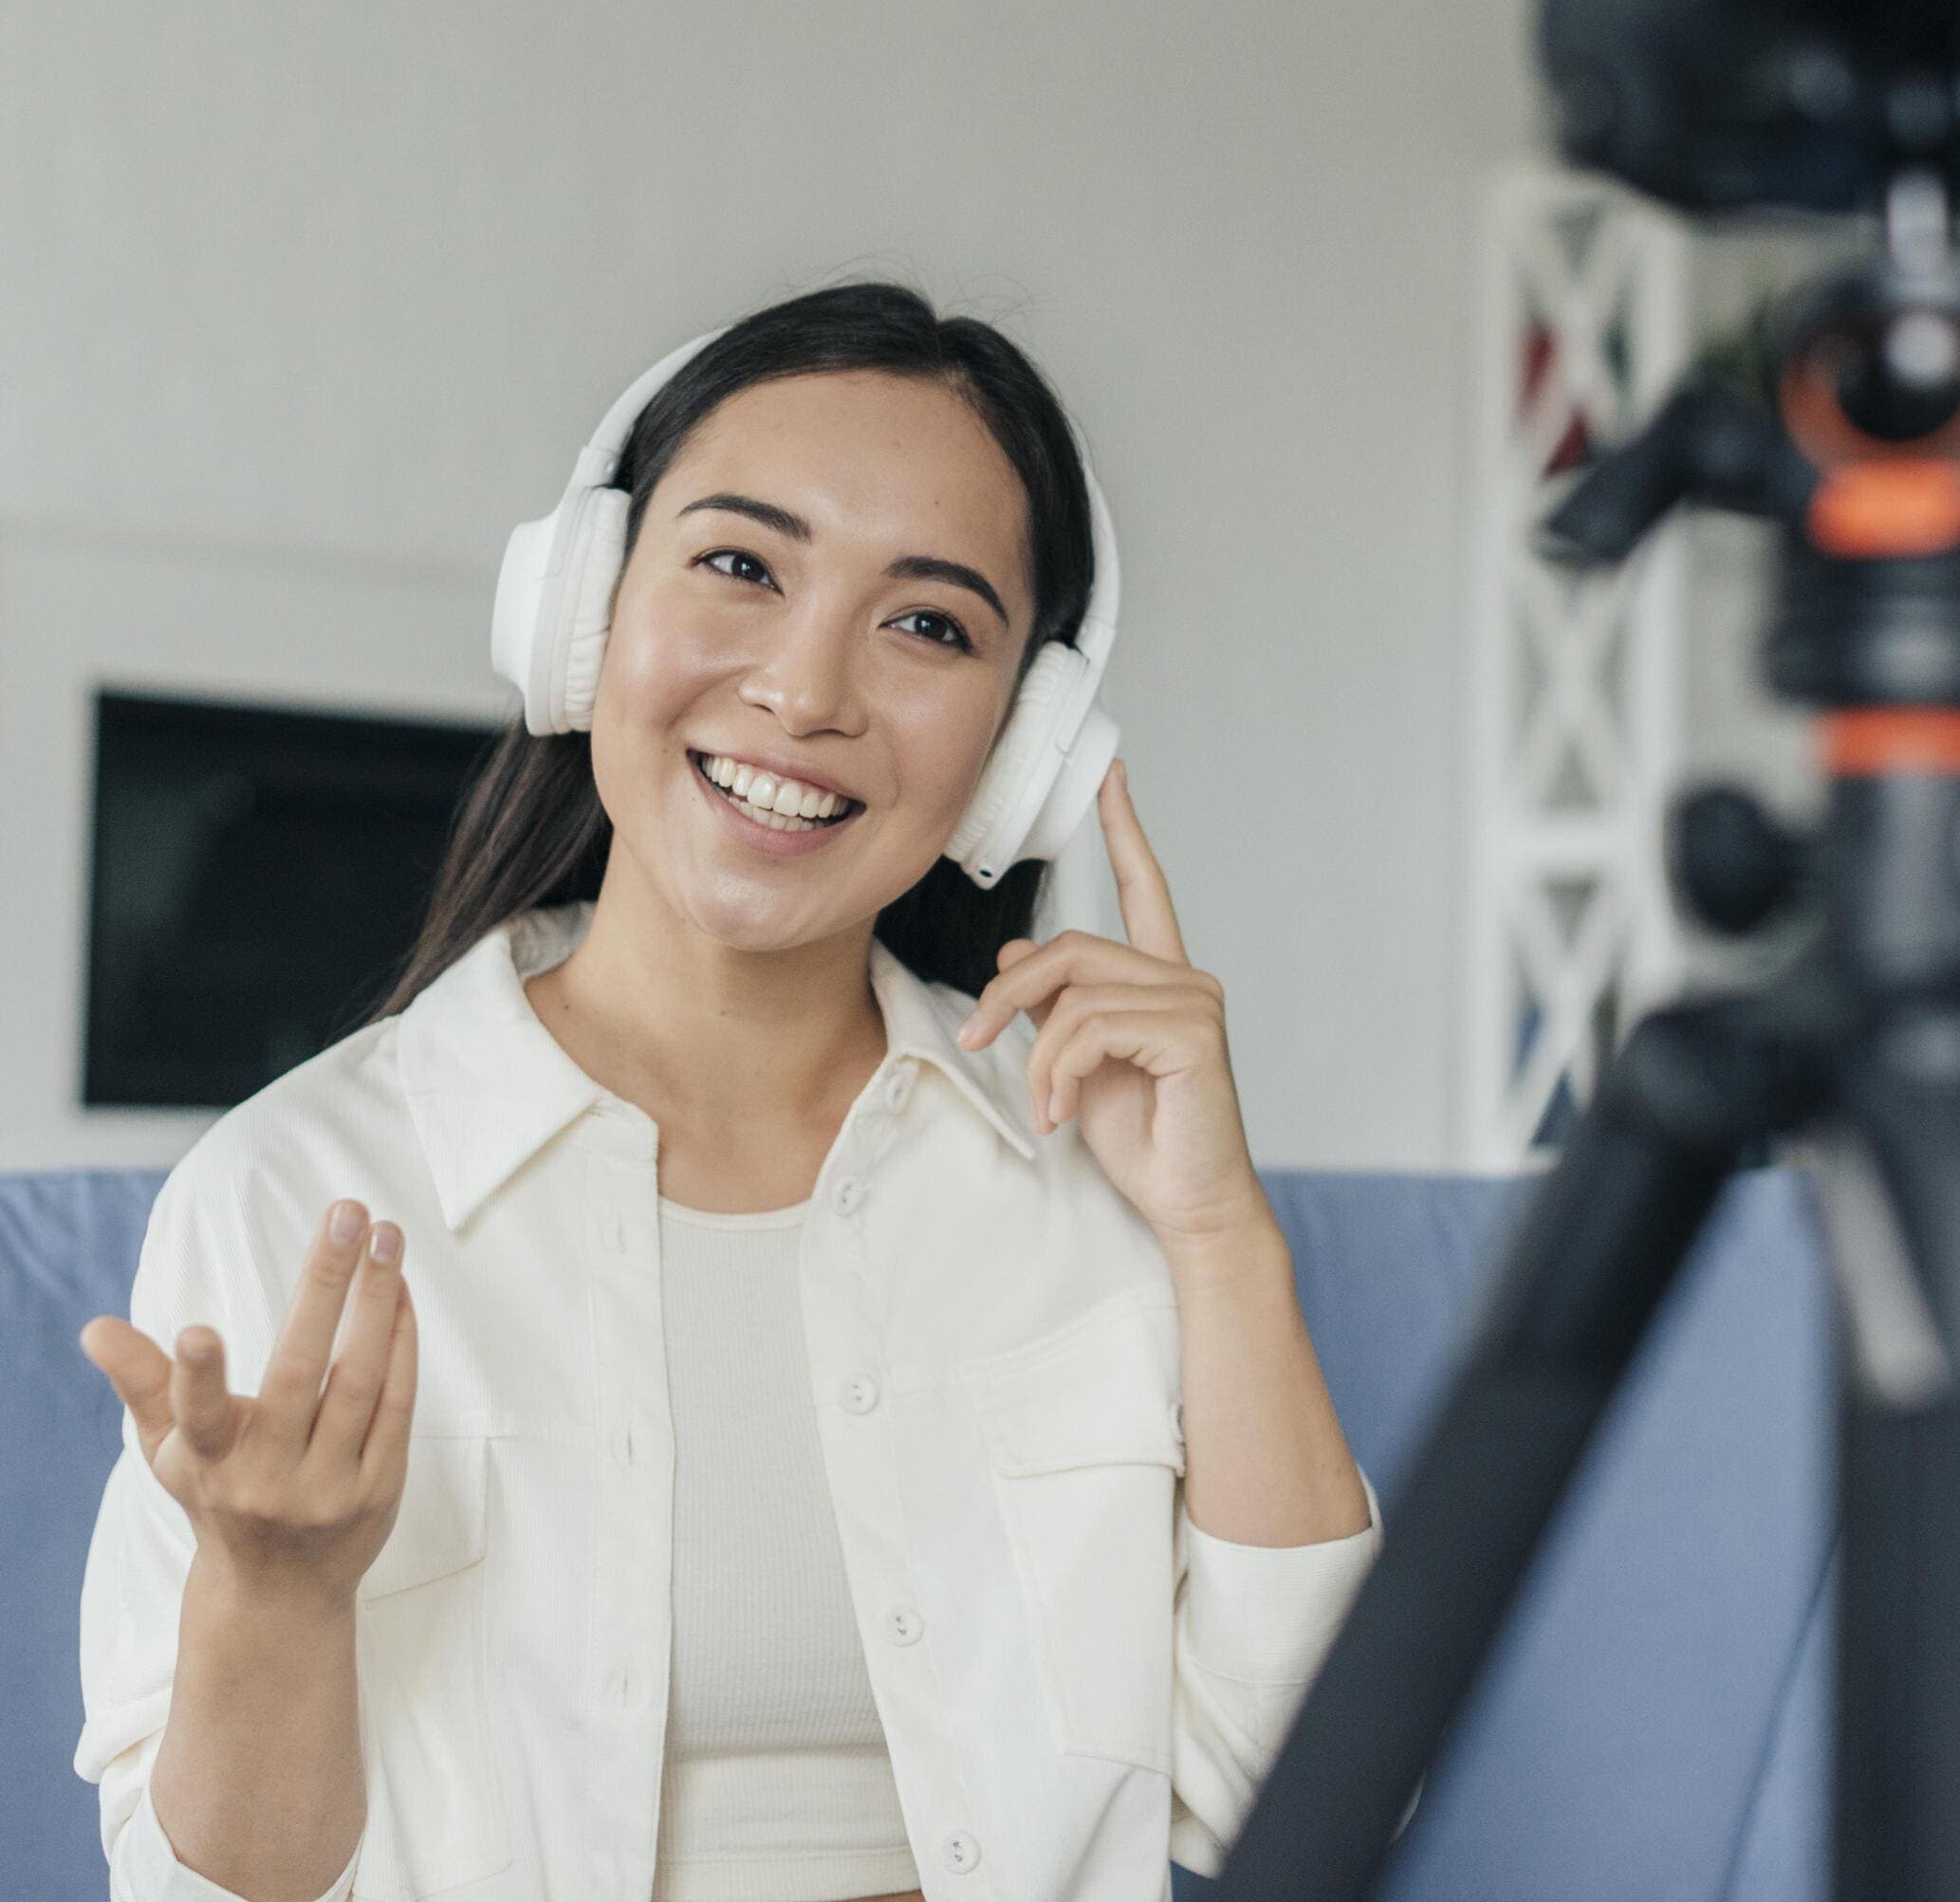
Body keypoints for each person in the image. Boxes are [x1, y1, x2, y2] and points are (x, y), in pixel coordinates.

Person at [75, 282, 1384, 1902]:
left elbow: (1321, 1797)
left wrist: (1218, 1232)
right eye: (741, 565)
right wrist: (273, 1596)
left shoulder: (1089, 1186)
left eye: (927, 623)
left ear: (1023, 748)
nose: (806, 691)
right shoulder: (301, 1192)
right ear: (582, 614)